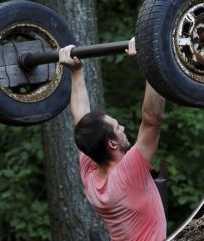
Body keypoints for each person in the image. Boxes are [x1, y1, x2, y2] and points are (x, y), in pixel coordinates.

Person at [58, 38, 167, 240]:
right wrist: (151, 62)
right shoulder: (128, 173)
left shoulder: (91, 172)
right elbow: (152, 119)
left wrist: (76, 72)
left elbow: (82, 121)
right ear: (112, 144)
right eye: (118, 127)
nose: (123, 127)